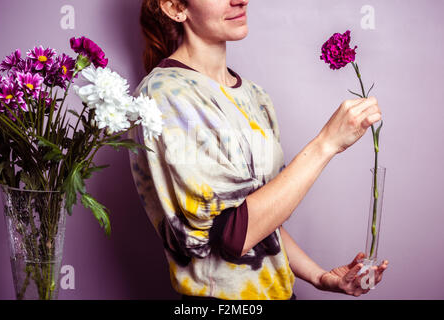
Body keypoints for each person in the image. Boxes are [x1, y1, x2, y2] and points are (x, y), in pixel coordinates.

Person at [127, 0, 388, 300]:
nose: (240, 0)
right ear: (175, 8)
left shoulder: (255, 96)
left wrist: (320, 276)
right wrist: (326, 144)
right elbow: (233, 235)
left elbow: (261, 218)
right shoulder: (164, 95)